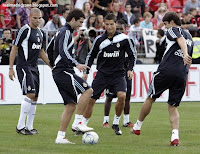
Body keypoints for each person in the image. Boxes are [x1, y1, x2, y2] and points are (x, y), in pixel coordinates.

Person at [130, 11, 193, 146]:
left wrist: (185, 53)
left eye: (165, 24)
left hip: (166, 71)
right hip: (182, 73)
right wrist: (186, 57)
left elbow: (179, 39)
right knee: (173, 106)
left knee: (151, 98)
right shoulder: (190, 36)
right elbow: (187, 53)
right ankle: (175, 136)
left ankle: (137, 127)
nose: (165, 27)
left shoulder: (172, 30)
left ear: (171, 22)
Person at [81, 13, 137, 135]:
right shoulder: (99, 40)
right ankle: (83, 125)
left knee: (122, 96)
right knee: (91, 99)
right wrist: (86, 71)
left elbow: (132, 56)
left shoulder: (124, 39)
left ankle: (116, 123)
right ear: (104, 24)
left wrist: (130, 69)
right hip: (102, 74)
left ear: (116, 24)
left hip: (118, 75)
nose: (110, 27)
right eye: (107, 24)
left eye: (112, 24)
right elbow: (90, 56)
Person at [50, 9, 93, 144]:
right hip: (64, 71)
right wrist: (76, 63)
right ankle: (78, 122)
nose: (80, 25)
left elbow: (50, 48)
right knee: (88, 90)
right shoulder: (65, 32)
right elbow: (63, 52)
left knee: (70, 105)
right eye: (80, 22)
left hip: (60, 71)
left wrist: (53, 65)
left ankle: (60, 137)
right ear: (73, 19)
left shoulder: (62, 32)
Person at [9, 8, 52, 135]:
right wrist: (11, 68)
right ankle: (20, 126)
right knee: (30, 94)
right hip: (24, 66)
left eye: (39, 18)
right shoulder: (24, 30)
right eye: (34, 18)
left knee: (35, 97)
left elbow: (41, 51)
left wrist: (51, 66)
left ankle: (29, 127)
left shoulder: (40, 32)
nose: (37, 20)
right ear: (29, 17)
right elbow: (14, 48)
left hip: (35, 67)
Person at [102, 19, 135, 128]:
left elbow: (132, 56)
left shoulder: (128, 41)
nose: (120, 31)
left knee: (127, 97)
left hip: (125, 71)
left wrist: (131, 69)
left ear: (125, 29)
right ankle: (106, 120)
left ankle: (126, 120)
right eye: (118, 28)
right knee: (109, 96)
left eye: (122, 29)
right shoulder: (110, 41)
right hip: (113, 72)